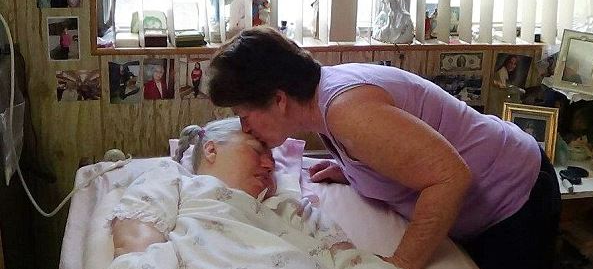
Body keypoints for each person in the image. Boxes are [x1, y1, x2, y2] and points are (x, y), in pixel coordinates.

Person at [207, 26, 561, 269]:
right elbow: (394, 142)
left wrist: (402, 263)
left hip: (518, 196)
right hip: (493, 197)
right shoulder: (323, 101)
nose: (245, 127)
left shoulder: (348, 112)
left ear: (279, 99)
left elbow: (450, 177)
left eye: (243, 113)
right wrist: (356, 172)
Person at [108, 117, 396, 269]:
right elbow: (136, 244)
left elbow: (349, 260)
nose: (270, 164)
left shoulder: (291, 209)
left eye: (272, 157)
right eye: (257, 150)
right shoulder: (177, 182)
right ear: (211, 149)